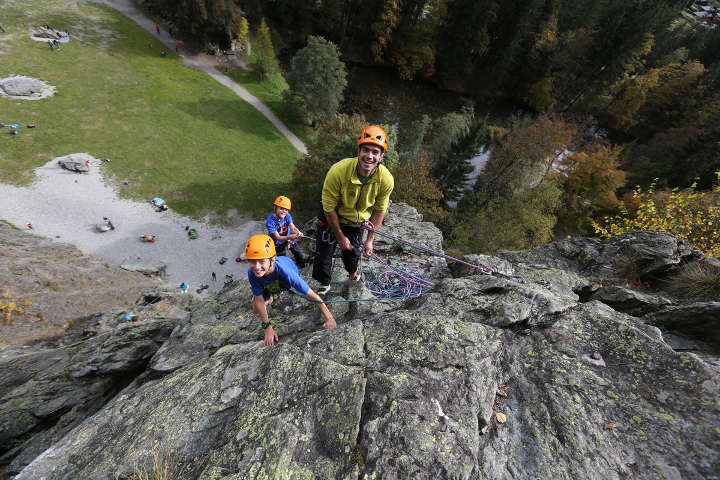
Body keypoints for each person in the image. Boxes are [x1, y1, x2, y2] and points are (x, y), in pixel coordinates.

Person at [312, 125, 394, 295]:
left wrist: (370, 240)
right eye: (366, 150)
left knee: (352, 253)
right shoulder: (338, 171)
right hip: (332, 215)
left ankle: (353, 275)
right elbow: (329, 208)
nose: (369, 156)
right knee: (324, 252)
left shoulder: (386, 179)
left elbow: (379, 210)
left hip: (356, 221)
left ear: (381, 156)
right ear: (358, 150)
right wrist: (340, 237)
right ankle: (324, 283)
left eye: (375, 152)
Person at [245, 234, 335, 347]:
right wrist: (267, 327)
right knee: (256, 310)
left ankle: (273, 295)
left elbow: (313, 295)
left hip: (284, 280)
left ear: (272, 259)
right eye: (253, 262)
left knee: (266, 299)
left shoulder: (287, 274)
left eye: (262, 261)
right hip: (269, 282)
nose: (257, 267)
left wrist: (330, 318)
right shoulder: (252, 273)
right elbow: (258, 300)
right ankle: (271, 297)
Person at [266, 195, 306, 268]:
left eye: (286, 209)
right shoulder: (270, 221)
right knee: (282, 259)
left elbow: (292, 227)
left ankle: (301, 265)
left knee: (298, 252)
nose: (284, 211)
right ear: (275, 207)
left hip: (288, 238)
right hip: (277, 243)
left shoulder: (287, 215)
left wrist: (298, 232)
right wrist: (291, 236)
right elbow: (278, 238)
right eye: (281, 208)